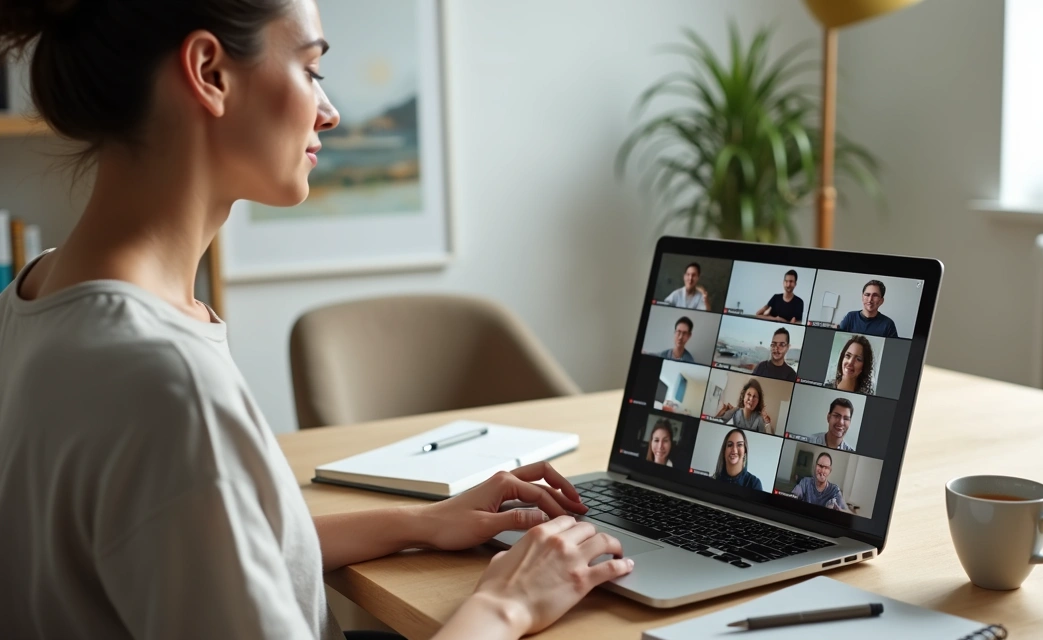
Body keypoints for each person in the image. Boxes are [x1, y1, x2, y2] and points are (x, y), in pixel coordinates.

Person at [0, 3, 632, 639]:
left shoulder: (36, 295)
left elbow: (209, 547)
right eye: (310, 69)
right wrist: (507, 605)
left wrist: (421, 522)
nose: (329, 112)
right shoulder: (167, 380)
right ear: (210, 73)